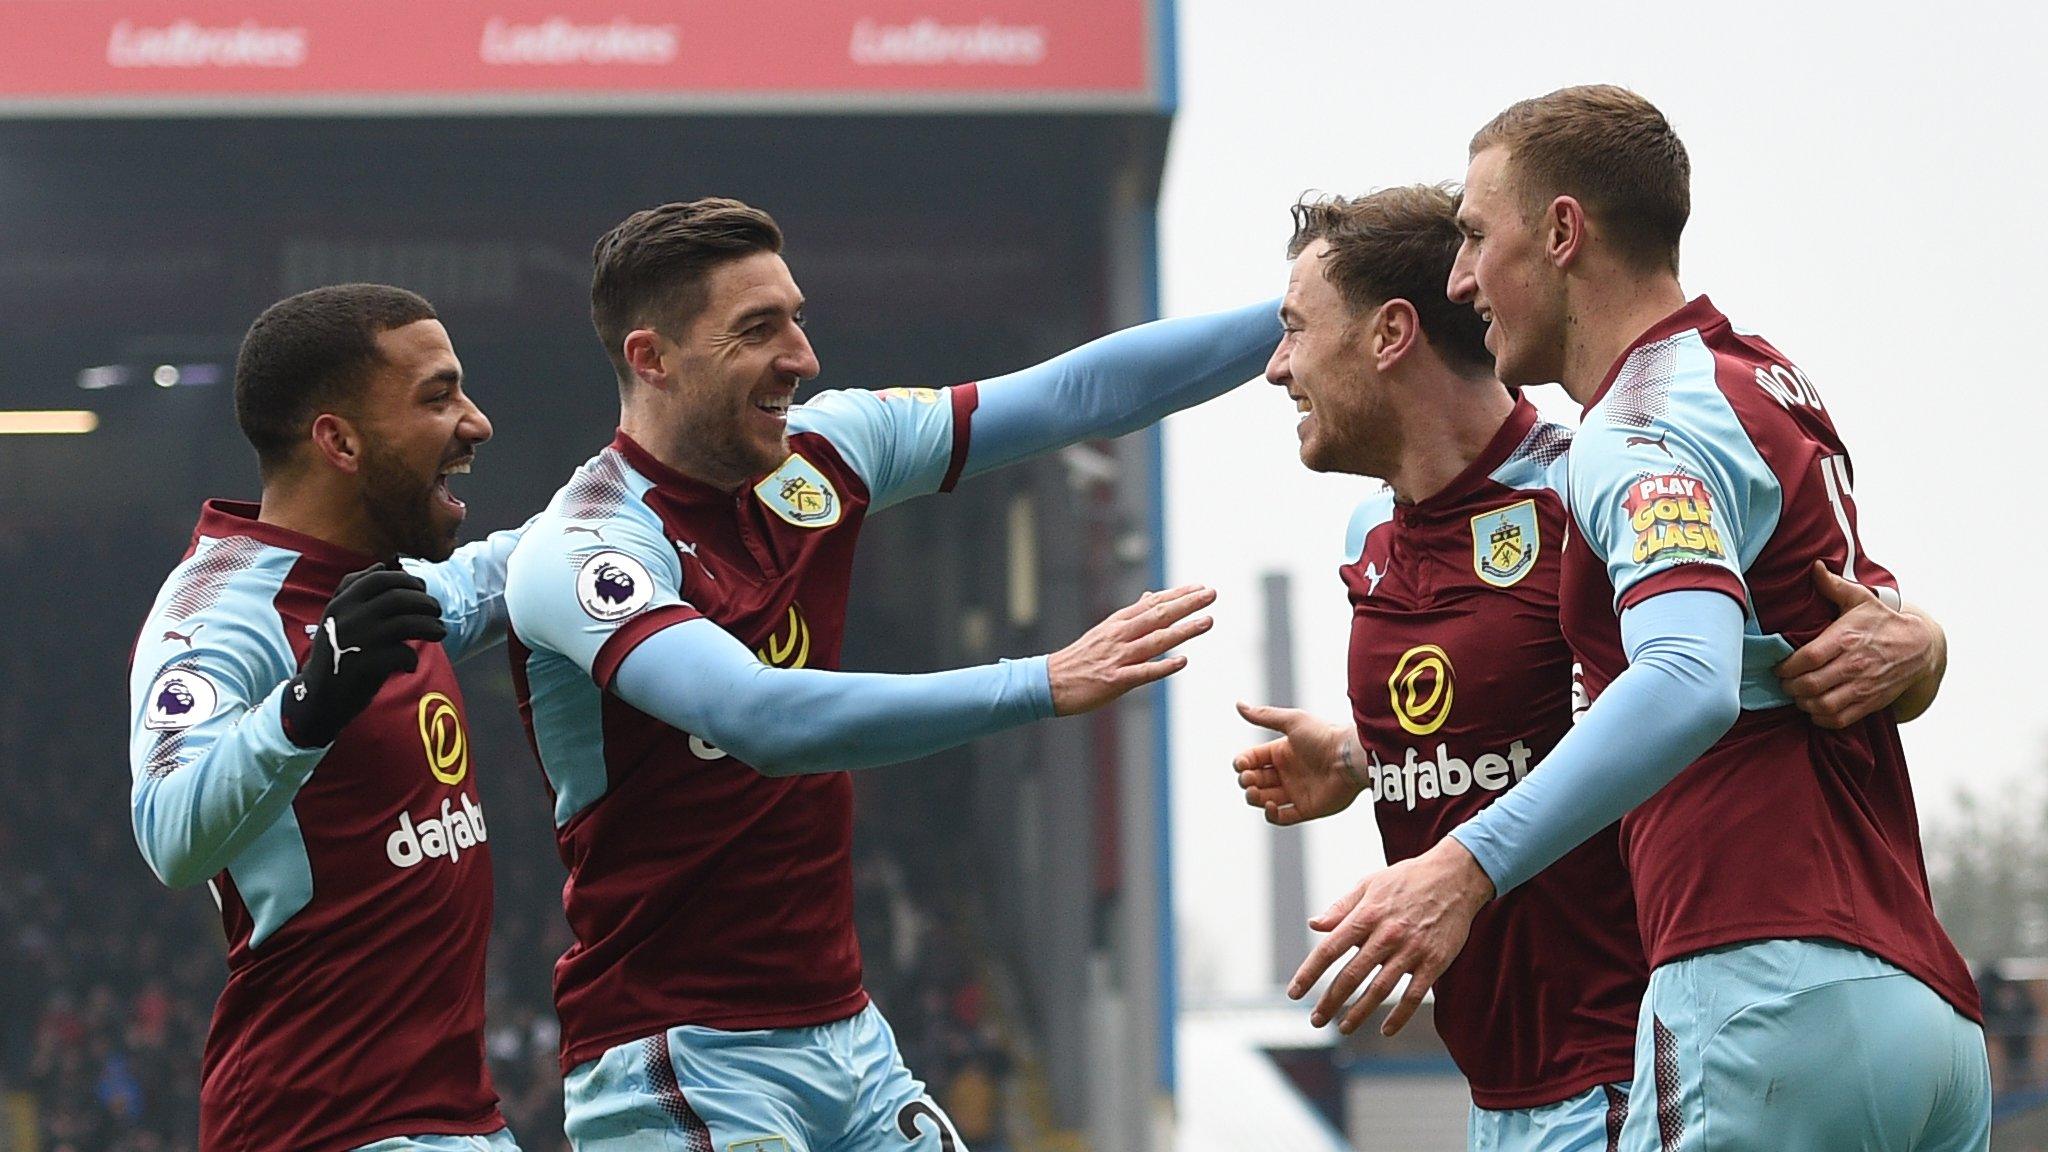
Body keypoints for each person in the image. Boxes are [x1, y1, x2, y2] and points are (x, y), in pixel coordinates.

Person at [1288, 86, 1987, 1151]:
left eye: (1475, 237)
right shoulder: (1761, 381)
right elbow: (1848, 633)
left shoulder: (1627, 430)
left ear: (1561, 233)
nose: (1460, 277)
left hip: (1751, 984)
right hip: (1916, 1000)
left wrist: (1459, 867)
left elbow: (1685, 675)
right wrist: (1923, 642)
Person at [502, 197, 1277, 1151]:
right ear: (651, 356)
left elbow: (1075, 396)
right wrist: (1038, 681)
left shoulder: (828, 451)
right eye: (758, 330)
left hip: (851, 1041)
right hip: (679, 1055)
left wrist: (1304, 315)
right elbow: (760, 719)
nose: (802, 356)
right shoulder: (587, 545)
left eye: (796, 317)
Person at [126, 285, 525, 1152]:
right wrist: (309, 703)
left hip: (457, 1120)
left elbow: (507, 574)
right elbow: (168, 833)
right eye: (438, 395)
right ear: (339, 440)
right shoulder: (218, 611)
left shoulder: (384, 588)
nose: (476, 422)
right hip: (321, 1125)